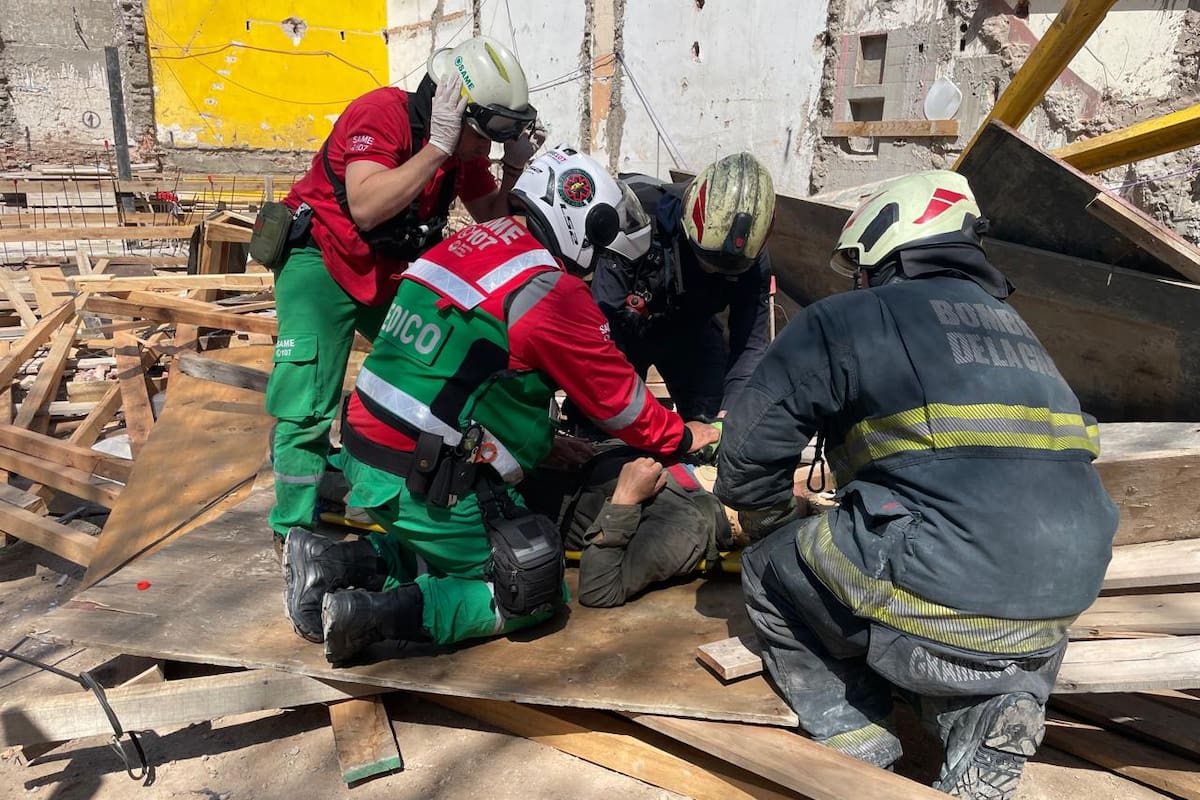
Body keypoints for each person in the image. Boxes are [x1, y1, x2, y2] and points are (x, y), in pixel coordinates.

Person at [713, 170, 1118, 798]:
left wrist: (772, 520)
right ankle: (992, 708)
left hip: (946, 579)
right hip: (1065, 593)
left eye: (860, 268)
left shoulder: (853, 317)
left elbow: (745, 458)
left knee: (771, 570)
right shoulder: (1019, 330)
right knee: (954, 622)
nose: (858, 281)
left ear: (886, 248)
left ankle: (856, 735)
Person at [281, 147, 721, 665]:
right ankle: (367, 617)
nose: (600, 261)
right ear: (581, 226)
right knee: (529, 582)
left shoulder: (473, 243)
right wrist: (686, 436)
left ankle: (329, 562)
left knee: (457, 551)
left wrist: (545, 444)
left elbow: (467, 372)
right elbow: (620, 403)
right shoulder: (550, 291)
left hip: (368, 445)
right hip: (417, 473)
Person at [266, 36, 546, 553]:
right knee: (307, 403)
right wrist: (437, 148)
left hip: (386, 268)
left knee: (437, 369)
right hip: (322, 259)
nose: (484, 150)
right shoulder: (381, 116)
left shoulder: (461, 147)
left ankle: (398, 486)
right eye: (482, 137)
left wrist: (514, 170)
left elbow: (493, 218)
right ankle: (292, 533)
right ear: (448, 109)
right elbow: (366, 206)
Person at [582, 152, 776, 423]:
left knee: (717, 419)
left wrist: (729, 415)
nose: (713, 271)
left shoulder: (752, 258)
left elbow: (750, 345)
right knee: (603, 418)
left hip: (690, 331)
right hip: (623, 330)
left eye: (725, 271)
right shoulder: (637, 218)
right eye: (705, 260)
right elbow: (601, 326)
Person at [519, 446, 738, 608]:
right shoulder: (709, 469)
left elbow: (599, 590)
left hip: (519, 504)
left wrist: (624, 500)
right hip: (532, 456)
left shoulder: (684, 532)